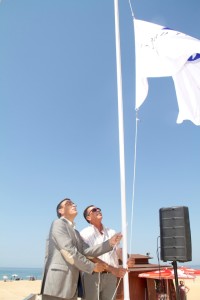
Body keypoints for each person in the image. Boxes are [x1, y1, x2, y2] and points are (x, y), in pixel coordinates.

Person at [41, 198, 122, 300]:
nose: (74, 205)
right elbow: (68, 251)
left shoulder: (76, 233)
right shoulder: (58, 223)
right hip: (58, 283)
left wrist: (110, 243)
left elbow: (87, 252)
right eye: (69, 204)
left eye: (73, 203)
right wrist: (92, 267)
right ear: (60, 211)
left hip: (71, 285)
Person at [80, 205, 133, 300]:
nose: (98, 210)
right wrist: (112, 269)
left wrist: (126, 259)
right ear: (88, 217)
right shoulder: (84, 234)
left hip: (111, 277)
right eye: (94, 210)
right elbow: (89, 256)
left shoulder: (111, 231)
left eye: (99, 209)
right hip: (92, 276)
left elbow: (118, 250)